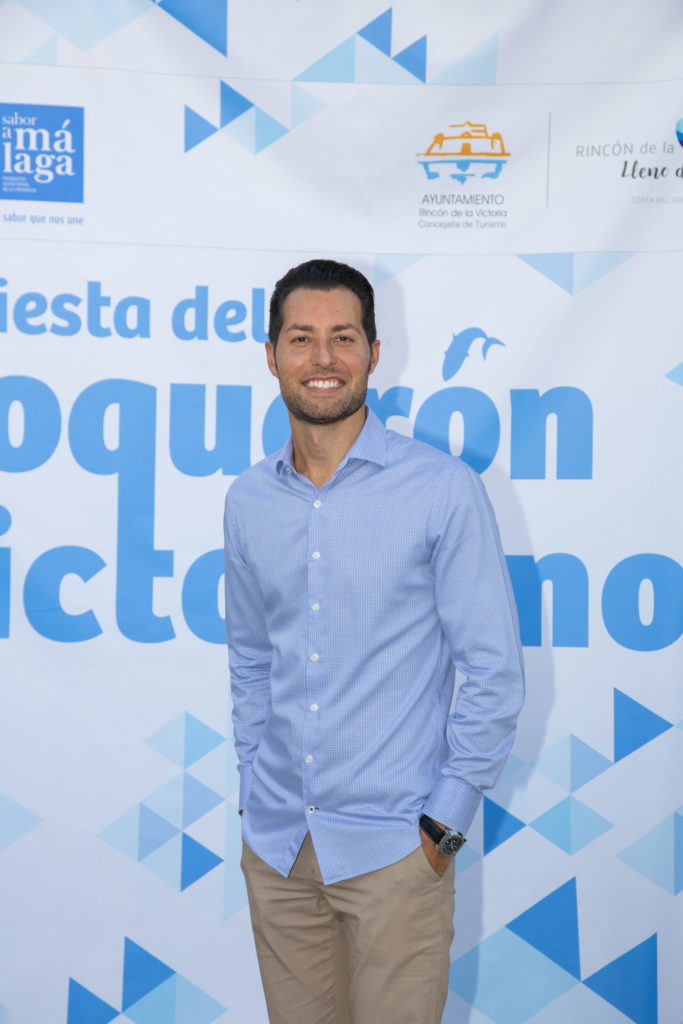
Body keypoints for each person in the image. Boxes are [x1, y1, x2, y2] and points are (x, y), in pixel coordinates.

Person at [223, 259, 524, 1024]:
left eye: (343, 336)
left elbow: (492, 668)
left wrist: (442, 828)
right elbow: (251, 657)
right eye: (301, 338)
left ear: (373, 352)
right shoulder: (249, 499)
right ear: (271, 355)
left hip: (397, 856)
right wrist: (254, 783)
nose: (322, 357)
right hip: (279, 850)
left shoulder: (440, 488)